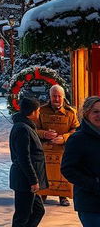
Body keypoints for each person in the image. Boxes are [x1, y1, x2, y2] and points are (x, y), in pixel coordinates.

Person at [35, 84, 78, 207]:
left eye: (59, 96)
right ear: (50, 96)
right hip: (45, 150)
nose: (57, 99)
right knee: (45, 173)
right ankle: (43, 194)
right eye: (54, 96)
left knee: (62, 173)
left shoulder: (71, 112)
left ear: (63, 97)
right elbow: (34, 129)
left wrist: (64, 138)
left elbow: (76, 129)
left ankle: (63, 196)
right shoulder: (41, 111)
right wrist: (44, 134)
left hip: (63, 150)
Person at [61, 96, 100, 227]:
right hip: (90, 204)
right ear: (87, 113)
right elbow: (68, 169)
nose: (99, 115)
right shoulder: (78, 139)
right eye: (96, 112)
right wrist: (94, 184)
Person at [9, 96, 48, 227]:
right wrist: (33, 180)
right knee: (22, 216)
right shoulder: (22, 129)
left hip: (27, 180)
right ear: (32, 112)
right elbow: (24, 157)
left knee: (38, 211)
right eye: (38, 110)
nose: (39, 113)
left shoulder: (26, 126)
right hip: (24, 180)